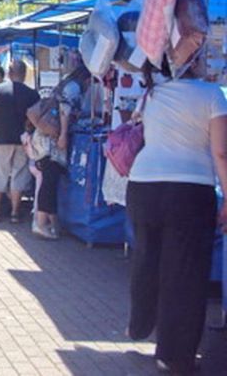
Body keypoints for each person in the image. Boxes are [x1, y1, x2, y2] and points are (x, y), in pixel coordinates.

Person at [126, 57, 227, 374]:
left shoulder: (154, 92)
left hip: (143, 185)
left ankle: (140, 323)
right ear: (195, 63)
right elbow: (221, 151)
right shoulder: (212, 95)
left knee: (148, 258)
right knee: (184, 273)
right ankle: (173, 354)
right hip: (189, 189)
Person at [0, 59, 39, 223]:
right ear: (24, 74)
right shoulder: (32, 93)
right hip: (23, 140)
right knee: (19, 175)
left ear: (9, 73)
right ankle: (15, 212)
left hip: (1, 138)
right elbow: (36, 116)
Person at [23, 106, 69, 240]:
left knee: (48, 184)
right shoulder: (71, 90)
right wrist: (63, 134)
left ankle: (52, 224)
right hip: (52, 147)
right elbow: (64, 111)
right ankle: (41, 223)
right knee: (48, 185)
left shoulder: (52, 98)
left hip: (42, 146)